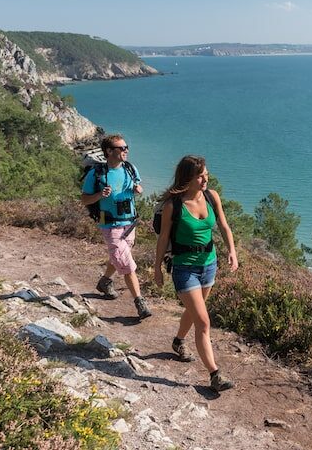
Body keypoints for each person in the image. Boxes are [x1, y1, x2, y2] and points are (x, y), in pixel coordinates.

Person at [154, 155, 239, 392]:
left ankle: (178, 341)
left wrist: (232, 251)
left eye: (206, 175)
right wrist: (157, 268)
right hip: (184, 269)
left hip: (209, 265)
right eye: (200, 176)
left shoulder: (212, 197)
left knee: (193, 313)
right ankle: (215, 375)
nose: (205, 179)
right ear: (187, 178)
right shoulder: (174, 206)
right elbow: (163, 239)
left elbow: (223, 225)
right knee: (203, 321)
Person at [80, 134, 152, 319]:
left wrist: (139, 190)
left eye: (126, 147)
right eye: (122, 148)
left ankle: (105, 281)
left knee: (119, 256)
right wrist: (99, 195)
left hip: (130, 222)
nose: (126, 150)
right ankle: (140, 302)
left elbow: (138, 187)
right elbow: (84, 199)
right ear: (109, 151)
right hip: (110, 224)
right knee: (127, 265)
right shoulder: (96, 174)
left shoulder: (130, 168)